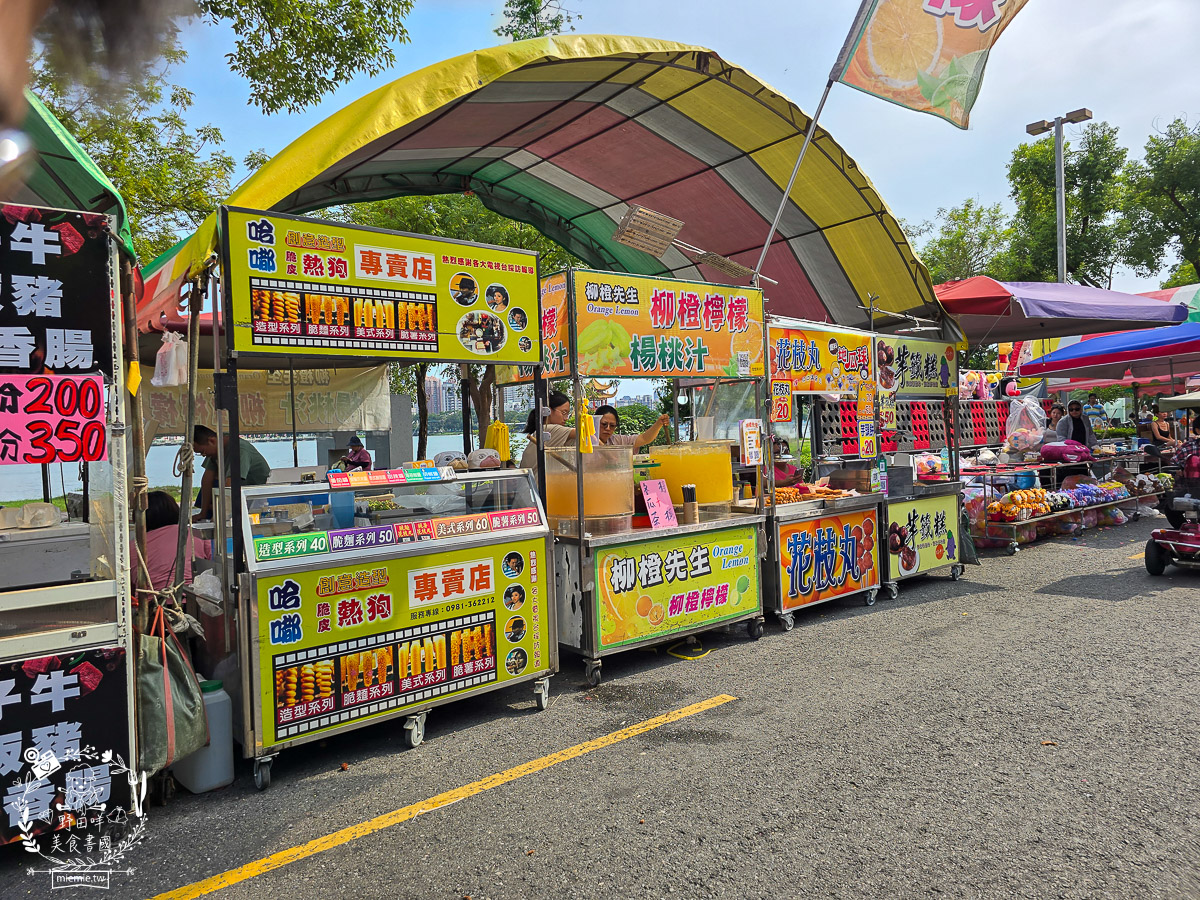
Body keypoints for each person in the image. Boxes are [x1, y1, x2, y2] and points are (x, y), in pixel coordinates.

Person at [133, 491, 211, 594]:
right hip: (194, 600)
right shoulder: (195, 534)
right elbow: (214, 565)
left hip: (153, 604)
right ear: (174, 511)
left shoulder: (134, 546)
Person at [194, 424, 272, 519]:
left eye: (203, 452)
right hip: (233, 492)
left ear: (212, 441)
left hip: (254, 496)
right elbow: (207, 479)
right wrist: (203, 512)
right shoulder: (215, 450)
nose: (203, 455)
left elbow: (230, 484)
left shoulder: (239, 450)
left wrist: (220, 514)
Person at [518, 391, 576, 470]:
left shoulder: (542, 430)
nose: (566, 418)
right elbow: (582, 432)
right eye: (563, 412)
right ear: (548, 410)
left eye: (567, 414)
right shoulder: (548, 430)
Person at [594, 405, 669, 451]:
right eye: (604, 424)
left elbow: (644, 438)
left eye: (612, 425)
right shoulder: (586, 441)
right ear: (595, 422)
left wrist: (659, 424)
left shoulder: (618, 441)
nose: (608, 428)